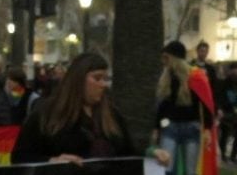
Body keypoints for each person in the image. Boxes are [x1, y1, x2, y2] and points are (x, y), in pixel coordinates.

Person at [11, 53, 170, 166]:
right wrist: (52, 161)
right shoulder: (46, 113)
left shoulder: (111, 115)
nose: (103, 84)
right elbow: (20, 157)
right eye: (97, 78)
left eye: (105, 79)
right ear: (78, 79)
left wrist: (151, 153)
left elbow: (128, 152)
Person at [154, 41, 214, 175]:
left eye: (166, 57)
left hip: (191, 128)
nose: (164, 61)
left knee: (190, 174)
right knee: (165, 171)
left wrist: (207, 129)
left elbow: (206, 103)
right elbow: (162, 105)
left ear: (174, 58)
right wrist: (158, 127)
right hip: (170, 127)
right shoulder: (166, 77)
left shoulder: (196, 76)